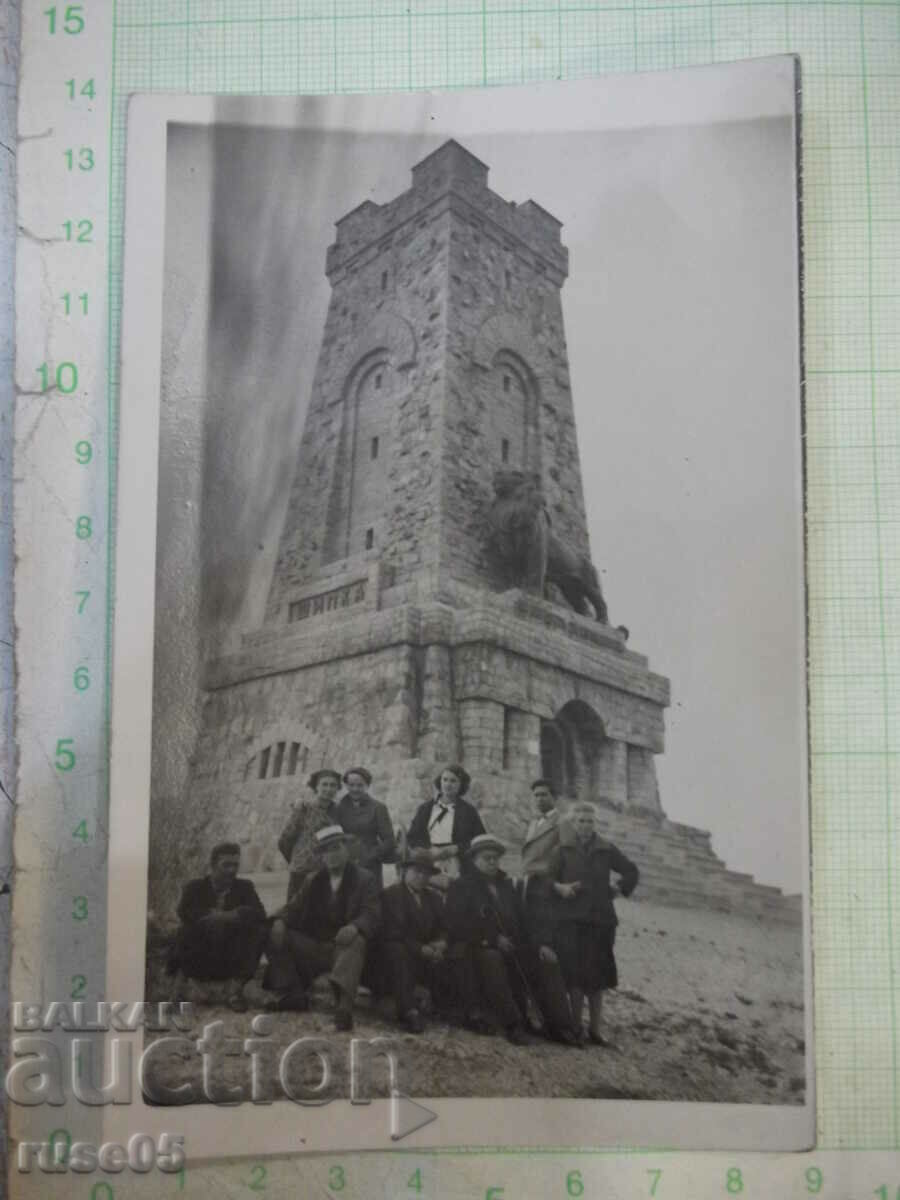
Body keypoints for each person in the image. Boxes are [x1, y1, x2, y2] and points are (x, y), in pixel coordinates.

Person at [264, 825, 381, 1030]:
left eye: (336, 847)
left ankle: (344, 1008)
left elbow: (372, 913)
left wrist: (355, 926)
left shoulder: (365, 879)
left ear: (346, 849)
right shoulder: (313, 880)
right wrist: (280, 920)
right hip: (315, 946)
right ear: (321, 857)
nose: (332, 854)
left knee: (357, 939)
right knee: (274, 931)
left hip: (345, 949)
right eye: (326, 850)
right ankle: (294, 994)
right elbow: (293, 907)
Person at [546, 800, 639, 1046]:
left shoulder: (606, 849)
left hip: (601, 921)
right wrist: (560, 887)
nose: (585, 825)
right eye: (581, 821)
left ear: (595, 823)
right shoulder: (561, 849)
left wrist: (618, 888)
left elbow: (631, 871)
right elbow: (546, 880)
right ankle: (575, 1028)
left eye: (590, 821)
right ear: (572, 823)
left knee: (598, 977)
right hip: (571, 920)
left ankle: (595, 1031)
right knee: (574, 978)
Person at [444, 834, 538, 1045]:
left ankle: (535, 1019)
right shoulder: (462, 885)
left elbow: (521, 919)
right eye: (487, 858)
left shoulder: (506, 886)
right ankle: (512, 1024)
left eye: (496, 858)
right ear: (474, 859)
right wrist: (493, 939)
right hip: (474, 945)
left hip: (507, 943)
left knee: (528, 956)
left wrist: (521, 941)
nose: (493, 862)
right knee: (493, 958)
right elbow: (456, 924)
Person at [167, 842, 268, 1012]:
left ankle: (234, 992)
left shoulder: (245, 887)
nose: (231, 870)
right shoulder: (195, 887)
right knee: (185, 931)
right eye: (226, 865)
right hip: (201, 955)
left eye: (235, 865)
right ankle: (177, 993)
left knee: (259, 931)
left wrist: (232, 915)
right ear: (213, 865)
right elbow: (184, 912)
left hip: (230, 957)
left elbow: (259, 914)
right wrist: (211, 917)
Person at [379, 849, 448, 1033]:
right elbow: (392, 932)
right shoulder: (390, 895)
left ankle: (450, 1007)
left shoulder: (434, 898)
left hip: (426, 957)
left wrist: (441, 942)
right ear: (405, 872)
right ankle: (408, 1011)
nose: (421, 877)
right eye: (417, 871)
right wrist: (420, 949)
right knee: (396, 949)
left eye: (426, 873)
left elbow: (443, 927)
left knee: (456, 952)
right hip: (394, 958)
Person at [407, 764, 486, 885]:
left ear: (461, 785)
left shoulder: (469, 811)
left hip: (458, 862)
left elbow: (479, 840)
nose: (448, 784)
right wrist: (428, 849)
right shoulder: (426, 808)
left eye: (453, 781)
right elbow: (413, 836)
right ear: (440, 781)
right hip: (428, 859)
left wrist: (456, 848)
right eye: (445, 780)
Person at [278, 768, 341, 900]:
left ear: (337, 788)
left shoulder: (338, 811)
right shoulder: (303, 808)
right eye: (324, 784)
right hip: (302, 872)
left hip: (326, 872)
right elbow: (285, 839)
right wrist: (298, 859)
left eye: (333, 785)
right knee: (295, 912)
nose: (328, 789)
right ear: (316, 787)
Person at [336, 767, 395, 889]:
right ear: (346, 785)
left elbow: (389, 840)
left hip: (370, 867)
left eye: (360, 785)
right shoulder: (339, 808)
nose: (355, 789)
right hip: (344, 865)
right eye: (351, 785)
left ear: (367, 785)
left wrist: (369, 856)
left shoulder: (378, 808)